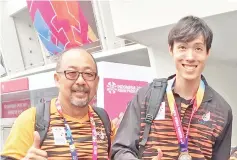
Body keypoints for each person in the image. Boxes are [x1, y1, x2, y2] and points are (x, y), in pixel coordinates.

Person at [111, 15, 233, 160]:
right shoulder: (146, 97)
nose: (190, 57)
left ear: (207, 53)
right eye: (182, 47)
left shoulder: (222, 111)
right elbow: (120, 150)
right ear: (171, 49)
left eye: (198, 48)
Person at [1, 48, 122, 160]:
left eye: (88, 74)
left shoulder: (103, 121)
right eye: (71, 73)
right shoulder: (32, 119)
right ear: (57, 79)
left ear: (96, 82)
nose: (81, 81)